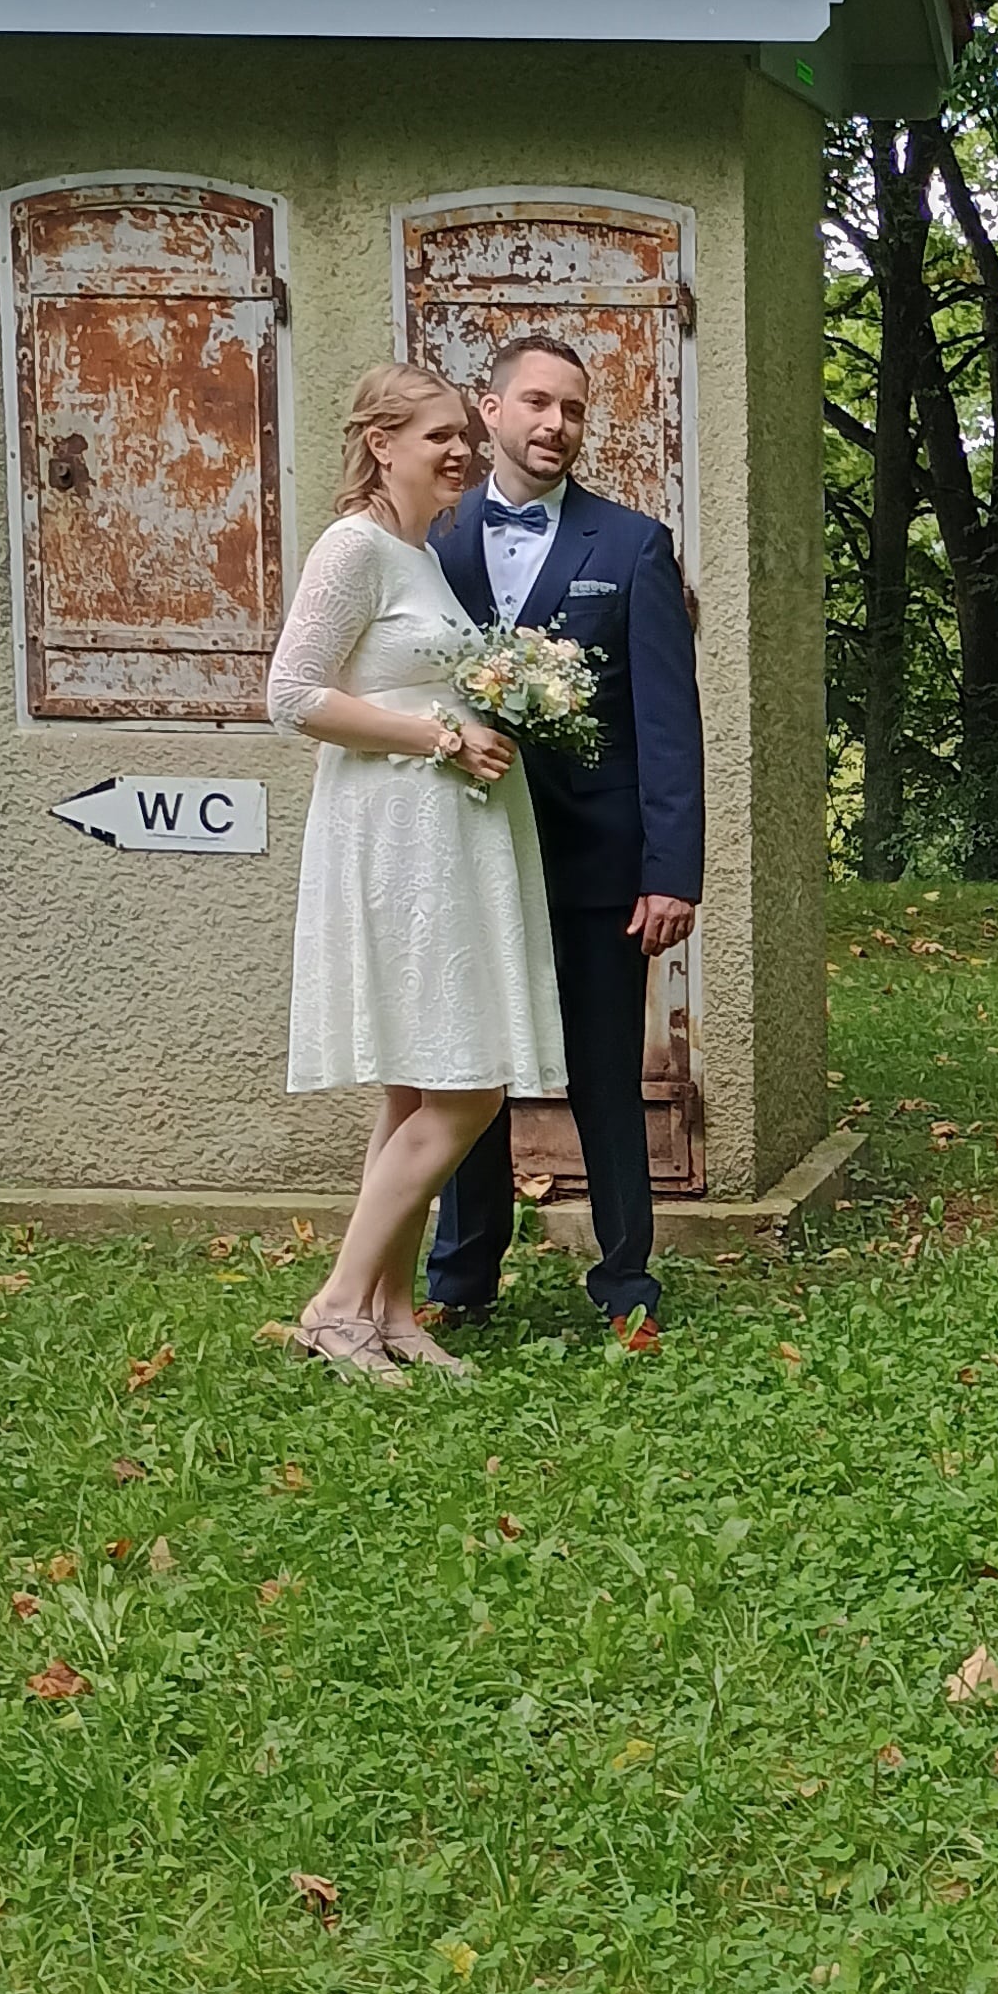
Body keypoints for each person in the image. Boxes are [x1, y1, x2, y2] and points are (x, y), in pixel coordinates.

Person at [267, 363, 565, 1381]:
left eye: (463, 440)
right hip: (397, 842)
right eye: (438, 435)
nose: (460, 454)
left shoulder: (419, 553)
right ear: (380, 442)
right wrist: (436, 738)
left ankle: (392, 1309)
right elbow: (292, 694)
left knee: (411, 1093)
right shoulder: (353, 547)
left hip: (443, 843)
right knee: (468, 1088)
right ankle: (340, 1302)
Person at [423, 334, 704, 1339]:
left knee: (603, 1074)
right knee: (471, 1068)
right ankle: (461, 1277)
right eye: (536, 402)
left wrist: (671, 868)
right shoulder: (430, 537)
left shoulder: (631, 546)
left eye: (574, 410)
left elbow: (670, 720)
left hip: (597, 856)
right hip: (465, 847)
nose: (555, 424)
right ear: (487, 409)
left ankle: (626, 1282)